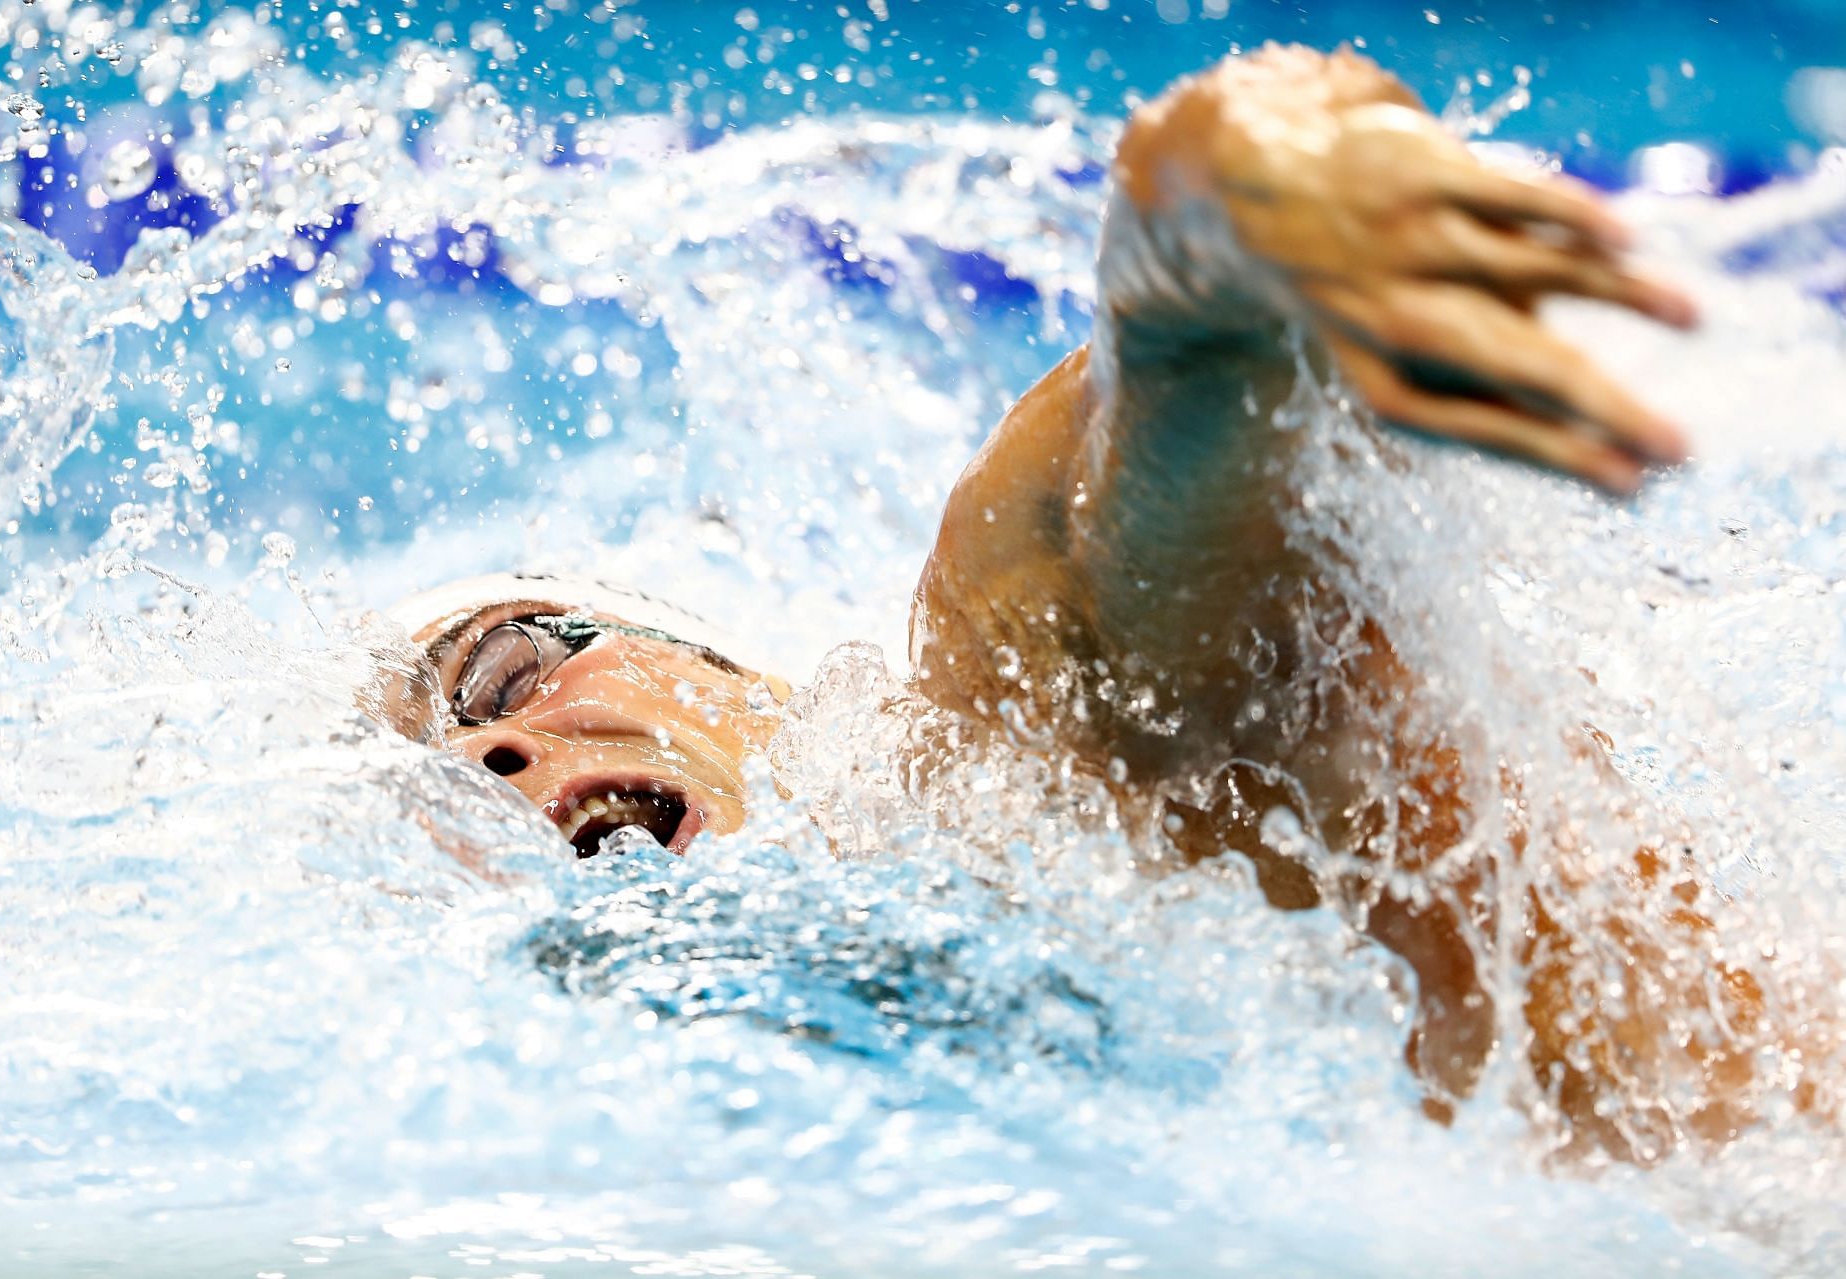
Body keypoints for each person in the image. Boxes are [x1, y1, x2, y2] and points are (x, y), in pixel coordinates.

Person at [382, 46, 1825, 1162]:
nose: (487, 763)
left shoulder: (1013, 734)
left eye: (504, 679)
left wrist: (1272, 193)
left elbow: (1165, 368)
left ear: (730, 672)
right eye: (428, 802)